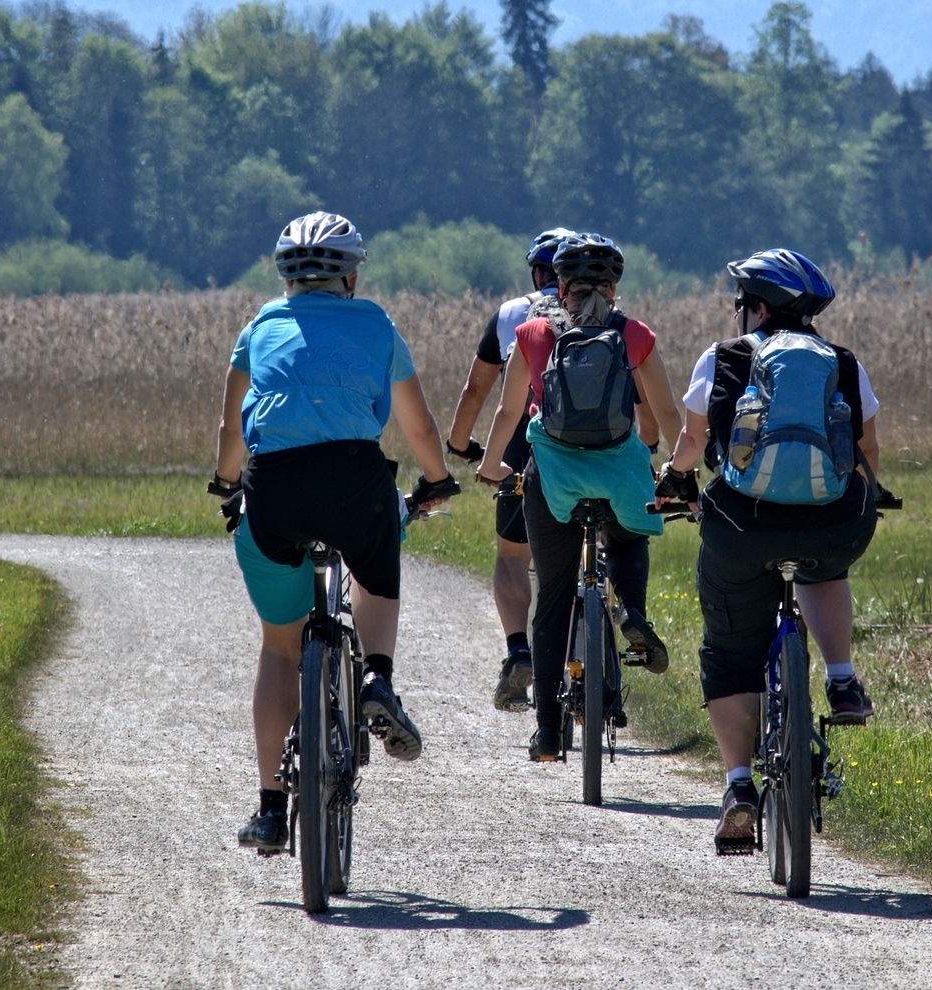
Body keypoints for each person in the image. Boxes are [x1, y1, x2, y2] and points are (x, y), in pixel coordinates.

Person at [212, 211, 460, 850]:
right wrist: (436, 480)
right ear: (350, 276)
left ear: (286, 277)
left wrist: (226, 483)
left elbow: (230, 435)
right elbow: (421, 428)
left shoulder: (259, 327)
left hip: (274, 490)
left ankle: (270, 807)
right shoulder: (376, 325)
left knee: (278, 648)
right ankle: (377, 676)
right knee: (377, 555)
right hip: (354, 481)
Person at [652, 249, 882, 851]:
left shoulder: (724, 357)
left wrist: (675, 480)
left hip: (742, 527)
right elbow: (867, 453)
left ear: (756, 306)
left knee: (729, 653)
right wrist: (863, 499)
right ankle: (841, 678)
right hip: (833, 523)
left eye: (740, 303)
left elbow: (693, 439)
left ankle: (738, 787)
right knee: (826, 569)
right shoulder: (843, 362)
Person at [475, 232, 681, 761]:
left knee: (551, 601)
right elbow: (668, 417)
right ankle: (630, 609)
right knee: (632, 536)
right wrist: (672, 465)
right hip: (618, 473)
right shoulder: (634, 334)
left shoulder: (532, 332)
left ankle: (547, 731)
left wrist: (493, 462)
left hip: (554, 478)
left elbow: (507, 413)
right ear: (614, 286)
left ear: (558, 284)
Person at [442, 228, 572, 713]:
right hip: (596, 449)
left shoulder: (513, 315)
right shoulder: (607, 315)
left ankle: (519, 649)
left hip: (524, 443)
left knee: (513, 556)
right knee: (598, 541)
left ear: (537, 272)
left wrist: (460, 444)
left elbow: (477, 391)